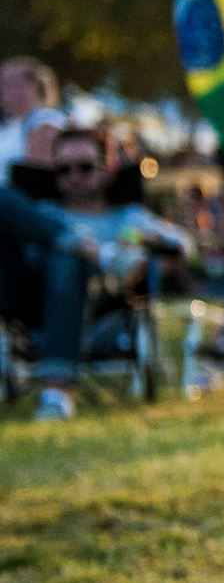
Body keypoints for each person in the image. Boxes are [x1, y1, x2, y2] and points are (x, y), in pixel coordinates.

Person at [0, 127, 191, 420]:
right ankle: (96, 251)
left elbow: (185, 244)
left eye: (85, 167)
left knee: (65, 258)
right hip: (28, 296)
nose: (74, 176)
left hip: (98, 300)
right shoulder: (37, 213)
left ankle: (57, 391)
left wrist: (142, 239)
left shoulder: (127, 218)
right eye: (63, 169)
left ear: (109, 170)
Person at [0, 56, 65, 176]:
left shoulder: (44, 122)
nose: (1, 88)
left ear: (31, 87)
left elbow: (38, 179)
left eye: (7, 81)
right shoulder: (8, 125)